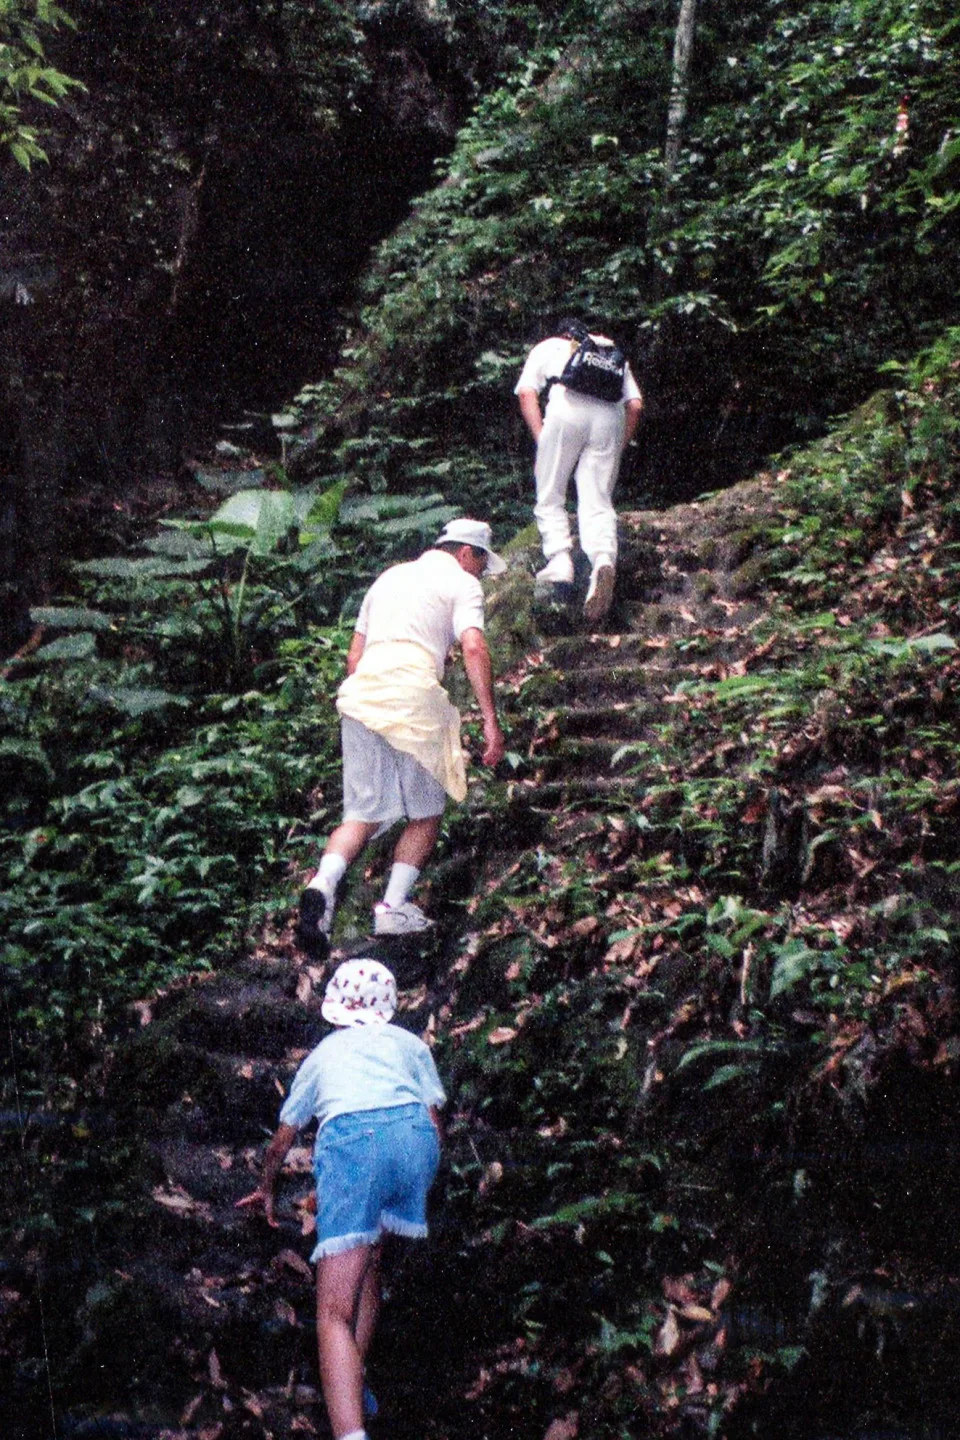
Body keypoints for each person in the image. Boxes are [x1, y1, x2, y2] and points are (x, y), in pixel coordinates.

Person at [237, 959, 445, 1440]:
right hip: (414, 1144)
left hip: (357, 1145)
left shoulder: (323, 1055)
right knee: (367, 1264)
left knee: (332, 1312)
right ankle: (354, 1382)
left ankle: (350, 1433)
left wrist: (267, 1187)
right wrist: (420, 1180)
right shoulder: (410, 1045)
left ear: (335, 1007)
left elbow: (283, 1138)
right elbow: (435, 1121)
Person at [297, 517, 507, 951]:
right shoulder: (462, 585)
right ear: (466, 553)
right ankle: (392, 908)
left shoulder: (388, 578)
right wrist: (490, 718)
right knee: (427, 811)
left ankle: (322, 886)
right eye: (482, 564)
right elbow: (473, 646)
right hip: (413, 698)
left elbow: (354, 658)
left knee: (362, 814)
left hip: (361, 699)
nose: (481, 574)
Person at [515, 317, 643, 623]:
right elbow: (635, 405)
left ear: (563, 334)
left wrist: (541, 437)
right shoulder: (610, 351)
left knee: (550, 493)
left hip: (566, 411)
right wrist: (618, 446)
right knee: (597, 499)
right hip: (609, 419)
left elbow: (526, 393)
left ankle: (560, 559)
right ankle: (602, 559)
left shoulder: (550, 347)